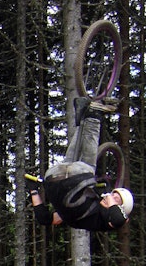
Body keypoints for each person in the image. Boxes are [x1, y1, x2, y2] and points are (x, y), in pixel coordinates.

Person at [31, 96, 133, 232]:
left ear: (120, 209)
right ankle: (84, 114)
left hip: (58, 178)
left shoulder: (104, 221)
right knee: (74, 166)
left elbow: (119, 219)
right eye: (114, 195)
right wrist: (33, 191)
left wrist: (106, 195)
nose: (111, 198)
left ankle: (94, 116)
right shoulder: (89, 206)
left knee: (86, 168)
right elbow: (45, 219)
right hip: (55, 176)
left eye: (116, 200)